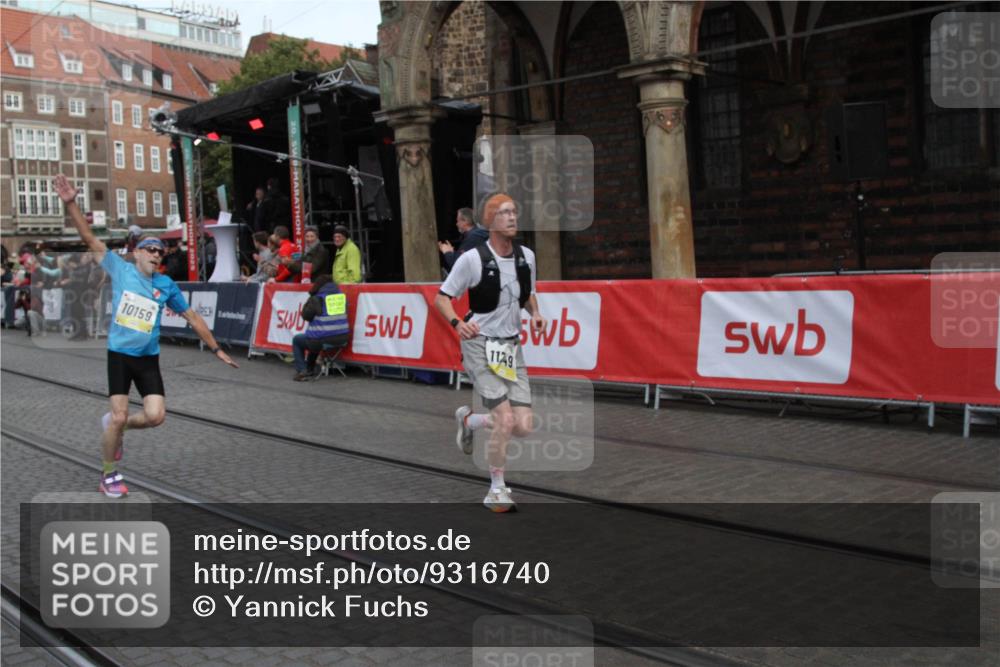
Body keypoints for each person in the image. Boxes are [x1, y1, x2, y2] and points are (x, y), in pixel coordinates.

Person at [53, 174, 238, 499]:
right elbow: (89, 238)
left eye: (160, 252)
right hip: (120, 355)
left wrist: (216, 349)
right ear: (136, 253)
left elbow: (193, 317)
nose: (156, 255)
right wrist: (71, 204)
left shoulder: (166, 285)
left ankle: (117, 426)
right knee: (120, 413)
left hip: (148, 359)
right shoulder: (120, 269)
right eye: (150, 249)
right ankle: (108, 474)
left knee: (155, 416)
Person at [434, 193, 546, 513]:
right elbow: (442, 298)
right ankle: (496, 489)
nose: (512, 217)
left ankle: (470, 421)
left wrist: (535, 313)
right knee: (505, 419)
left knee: (523, 425)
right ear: (490, 220)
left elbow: (527, 292)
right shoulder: (472, 259)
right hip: (479, 344)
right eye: (505, 213)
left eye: (514, 212)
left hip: (510, 347)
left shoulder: (526, 256)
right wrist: (457, 323)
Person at [290, 274, 350, 381]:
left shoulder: (317, 299)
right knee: (314, 337)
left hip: (322, 339)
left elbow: (306, 316)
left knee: (298, 340)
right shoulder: (341, 297)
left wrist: (310, 298)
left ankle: (302, 370)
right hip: (343, 339)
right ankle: (309, 368)